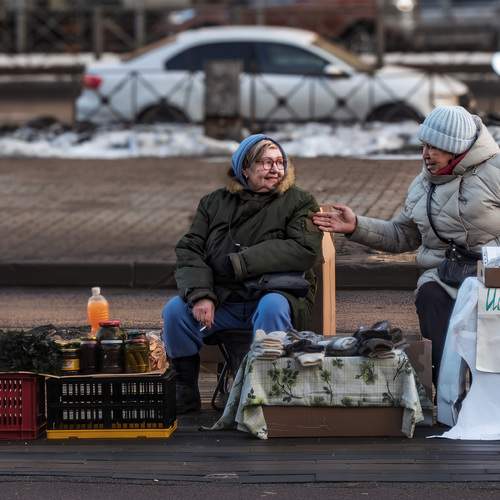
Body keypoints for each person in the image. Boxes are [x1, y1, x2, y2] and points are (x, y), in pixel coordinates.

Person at [313, 105, 500, 386]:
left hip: (491, 276)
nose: (425, 154)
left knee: (487, 351)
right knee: (430, 296)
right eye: (423, 146)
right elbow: (403, 235)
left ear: (456, 148)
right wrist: (355, 226)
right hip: (444, 274)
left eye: (434, 147)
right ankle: (444, 388)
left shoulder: (494, 172)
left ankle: (486, 393)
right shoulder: (422, 185)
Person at [162, 134, 323, 413]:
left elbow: (303, 250)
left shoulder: (299, 201)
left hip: (274, 295)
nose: (275, 169)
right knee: (175, 311)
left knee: (272, 306)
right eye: (265, 162)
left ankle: (268, 388)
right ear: (244, 169)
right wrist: (201, 294)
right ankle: (185, 390)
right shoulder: (213, 203)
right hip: (224, 300)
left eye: (280, 162)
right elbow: (190, 250)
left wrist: (242, 262)